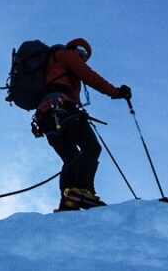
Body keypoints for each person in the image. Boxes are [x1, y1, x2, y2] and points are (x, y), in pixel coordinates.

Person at [30, 38, 131, 212]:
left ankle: (68, 201)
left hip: (46, 117)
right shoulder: (66, 55)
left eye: (85, 56)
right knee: (91, 147)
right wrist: (115, 92)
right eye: (82, 52)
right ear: (73, 48)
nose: (82, 57)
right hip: (62, 109)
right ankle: (83, 191)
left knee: (71, 158)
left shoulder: (51, 66)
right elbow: (89, 76)